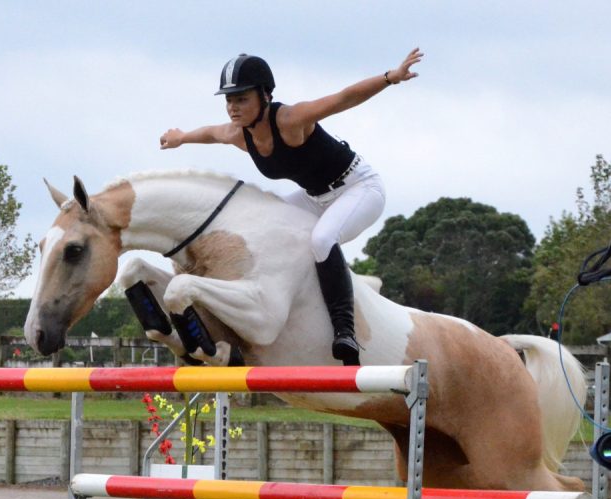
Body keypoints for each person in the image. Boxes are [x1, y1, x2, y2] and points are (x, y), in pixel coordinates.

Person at [159, 48, 424, 366]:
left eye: (242, 98)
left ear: (265, 95)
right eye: (229, 100)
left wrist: (390, 78)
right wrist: (181, 137)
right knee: (259, 223)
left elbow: (344, 97)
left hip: (358, 188)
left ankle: (345, 331)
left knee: (322, 240)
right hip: (315, 197)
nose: (233, 107)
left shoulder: (291, 119)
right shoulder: (237, 134)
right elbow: (209, 133)